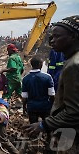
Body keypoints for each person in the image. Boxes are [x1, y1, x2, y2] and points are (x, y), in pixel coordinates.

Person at [23, 15, 79, 153]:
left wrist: (44, 124)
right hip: (47, 109)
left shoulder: (74, 65)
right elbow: (52, 95)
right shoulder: (55, 71)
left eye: (57, 36)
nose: (52, 41)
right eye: (51, 37)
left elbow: (74, 111)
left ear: (73, 36)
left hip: (70, 131)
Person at [22, 56, 55, 124]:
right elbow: (51, 95)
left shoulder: (25, 79)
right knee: (48, 126)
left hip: (32, 107)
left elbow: (24, 97)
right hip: (45, 106)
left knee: (33, 128)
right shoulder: (47, 77)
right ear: (41, 64)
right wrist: (52, 106)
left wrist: (24, 107)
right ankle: (49, 134)